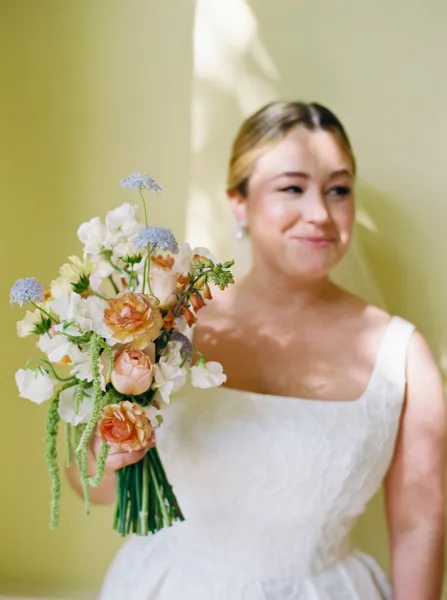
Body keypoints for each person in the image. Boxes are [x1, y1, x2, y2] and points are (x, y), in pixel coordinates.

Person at [71, 101, 446, 599]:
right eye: (292, 188)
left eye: (338, 189)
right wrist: (109, 451)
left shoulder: (402, 357)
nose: (320, 214)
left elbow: (421, 520)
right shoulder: (163, 323)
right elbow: (92, 488)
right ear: (238, 203)